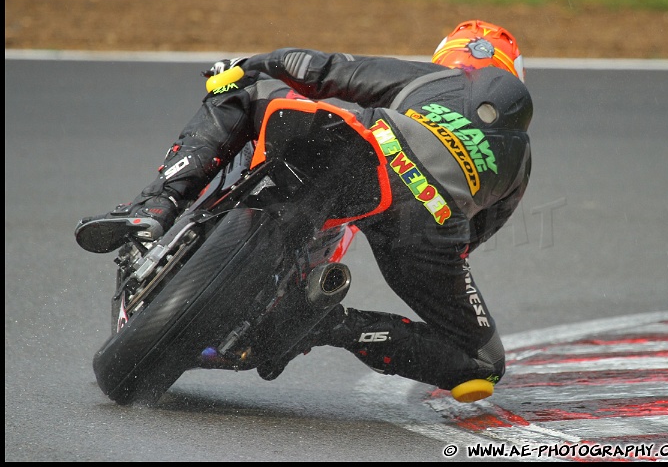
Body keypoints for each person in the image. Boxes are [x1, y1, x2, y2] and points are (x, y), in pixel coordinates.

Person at [75, 20, 533, 403]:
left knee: (241, 95)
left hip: (369, 154)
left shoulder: (431, 79)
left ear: (448, 58)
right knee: (484, 365)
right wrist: (430, 259)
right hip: (431, 222)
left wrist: (245, 66)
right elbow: (476, 237)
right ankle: (324, 321)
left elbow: (322, 69)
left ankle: (154, 206)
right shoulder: (522, 162)